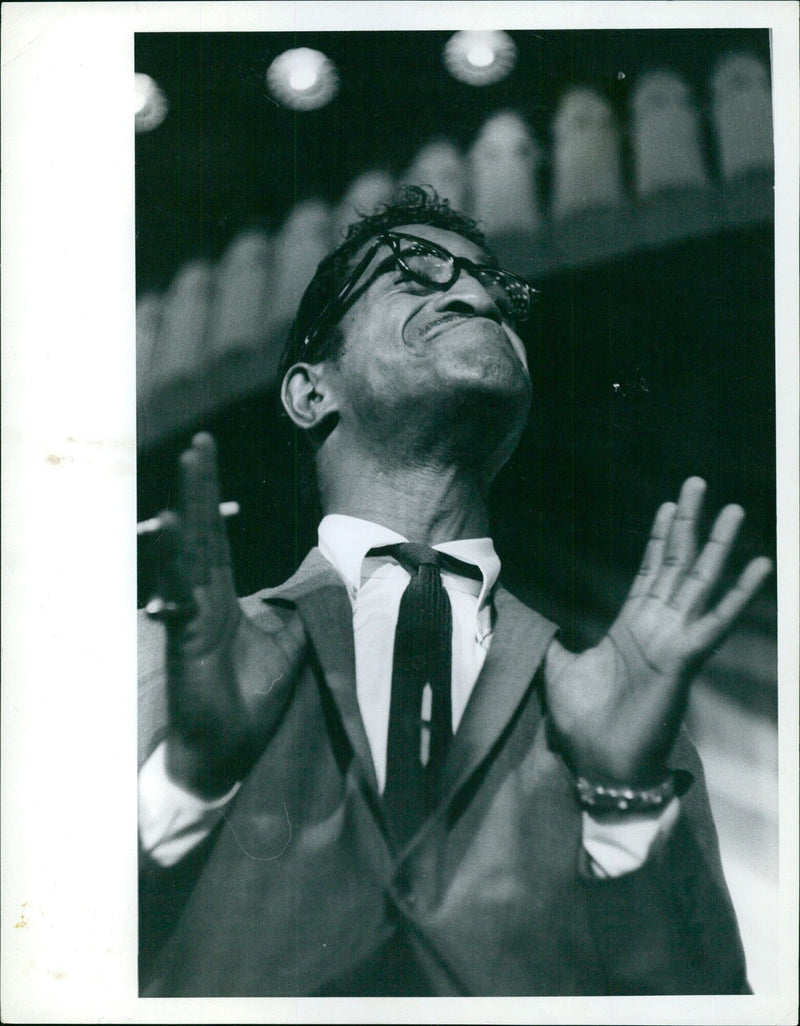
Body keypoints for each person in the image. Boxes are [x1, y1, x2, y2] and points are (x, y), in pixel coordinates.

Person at [137, 186, 772, 997]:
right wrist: (189, 778)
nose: (475, 293)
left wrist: (625, 804)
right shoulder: (166, 655)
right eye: (415, 270)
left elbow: (705, 1004)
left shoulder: (625, 713)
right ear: (309, 392)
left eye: (493, 288)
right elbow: (49, 960)